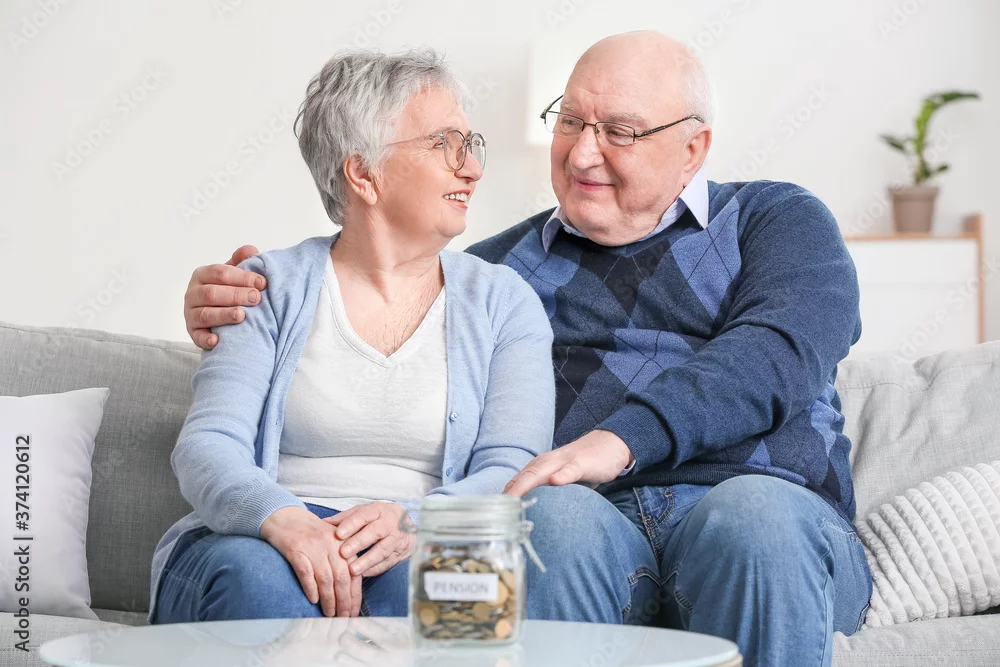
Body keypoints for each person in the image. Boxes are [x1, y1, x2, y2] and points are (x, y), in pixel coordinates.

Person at [183, 31, 872, 667]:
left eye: (619, 132)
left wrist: (620, 441)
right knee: (547, 521)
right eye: (570, 122)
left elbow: (776, 352)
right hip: (595, 527)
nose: (582, 153)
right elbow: (371, 280)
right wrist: (229, 298)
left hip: (770, 518)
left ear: (693, 148)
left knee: (752, 520)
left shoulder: (774, 220)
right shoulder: (493, 278)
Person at [149, 49, 555, 625]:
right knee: (263, 585)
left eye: (471, 145)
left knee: (462, 596)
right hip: (264, 537)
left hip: (426, 538)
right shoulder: (268, 287)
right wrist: (283, 519)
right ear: (364, 173)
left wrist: (417, 522)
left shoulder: (504, 302)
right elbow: (208, 445)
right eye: (445, 144)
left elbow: (514, 467)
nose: (472, 168)